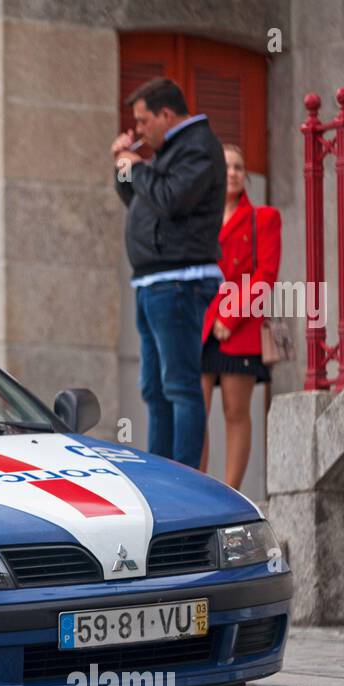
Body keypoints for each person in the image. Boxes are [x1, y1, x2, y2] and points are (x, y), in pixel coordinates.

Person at [112, 77, 226, 468]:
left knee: (179, 386)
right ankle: (161, 477)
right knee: (155, 390)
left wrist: (139, 168)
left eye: (143, 121)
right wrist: (123, 168)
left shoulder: (198, 147)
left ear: (165, 114)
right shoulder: (167, 151)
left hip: (180, 281)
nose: (139, 130)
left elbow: (170, 200)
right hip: (154, 282)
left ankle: (182, 481)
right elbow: (138, 200)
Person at [199, 144, 281, 490]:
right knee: (194, 414)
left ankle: (230, 493)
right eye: (226, 166)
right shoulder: (200, 218)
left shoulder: (263, 217)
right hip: (202, 324)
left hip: (240, 328)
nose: (232, 172)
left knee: (235, 412)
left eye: (239, 167)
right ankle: (195, 490)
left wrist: (230, 316)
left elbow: (266, 276)